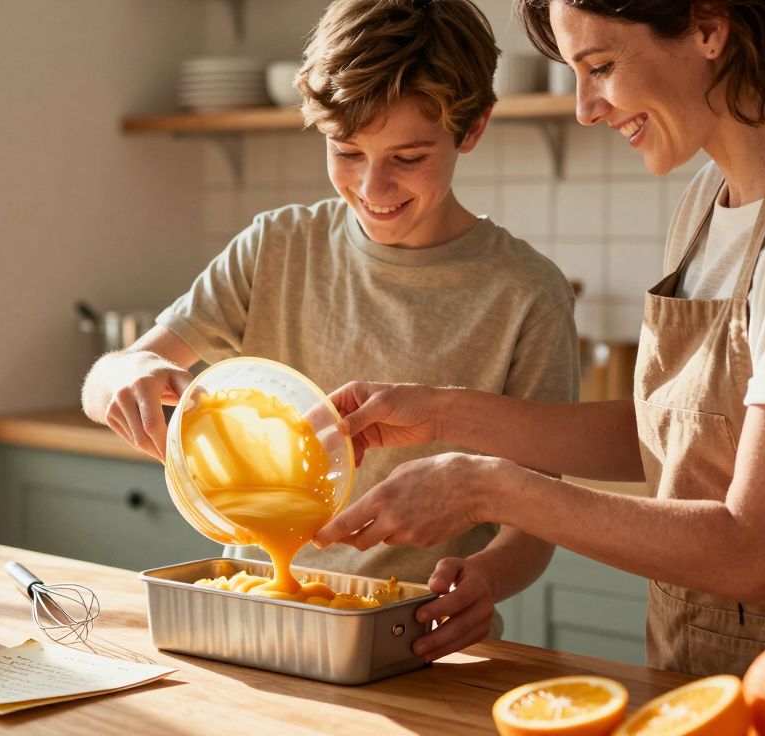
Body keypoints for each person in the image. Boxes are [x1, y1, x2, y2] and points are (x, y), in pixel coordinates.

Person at [312, 0, 765, 707]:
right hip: (703, 687)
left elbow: (761, 555)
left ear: (709, 27)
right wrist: (440, 414)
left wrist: (487, 487)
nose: (585, 109)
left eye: (599, 67)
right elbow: (675, 436)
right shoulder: (708, 202)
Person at [81, 0, 579, 660]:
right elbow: (108, 377)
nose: (373, 187)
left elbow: (535, 521)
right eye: (346, 151)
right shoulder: (276, 248)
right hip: (257, 624)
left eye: (407, 156)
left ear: (473, 126)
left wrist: (485, 576)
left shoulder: (525, 293)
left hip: (416, 643)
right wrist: (124, 375)